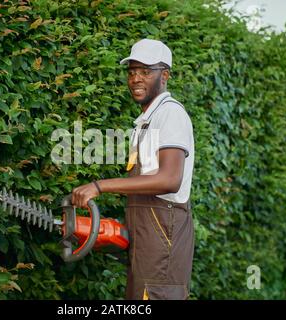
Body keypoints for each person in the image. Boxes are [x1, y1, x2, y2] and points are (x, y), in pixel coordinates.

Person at [71, 39, 195, 300]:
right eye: (132, 72)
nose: (136, 79)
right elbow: (146, 183)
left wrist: (99, 186)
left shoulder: (170, 114)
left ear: (165, 75)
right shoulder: (145, 121)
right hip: (148, 238)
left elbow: (169, 179)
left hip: (164, 234)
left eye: (145, 71)